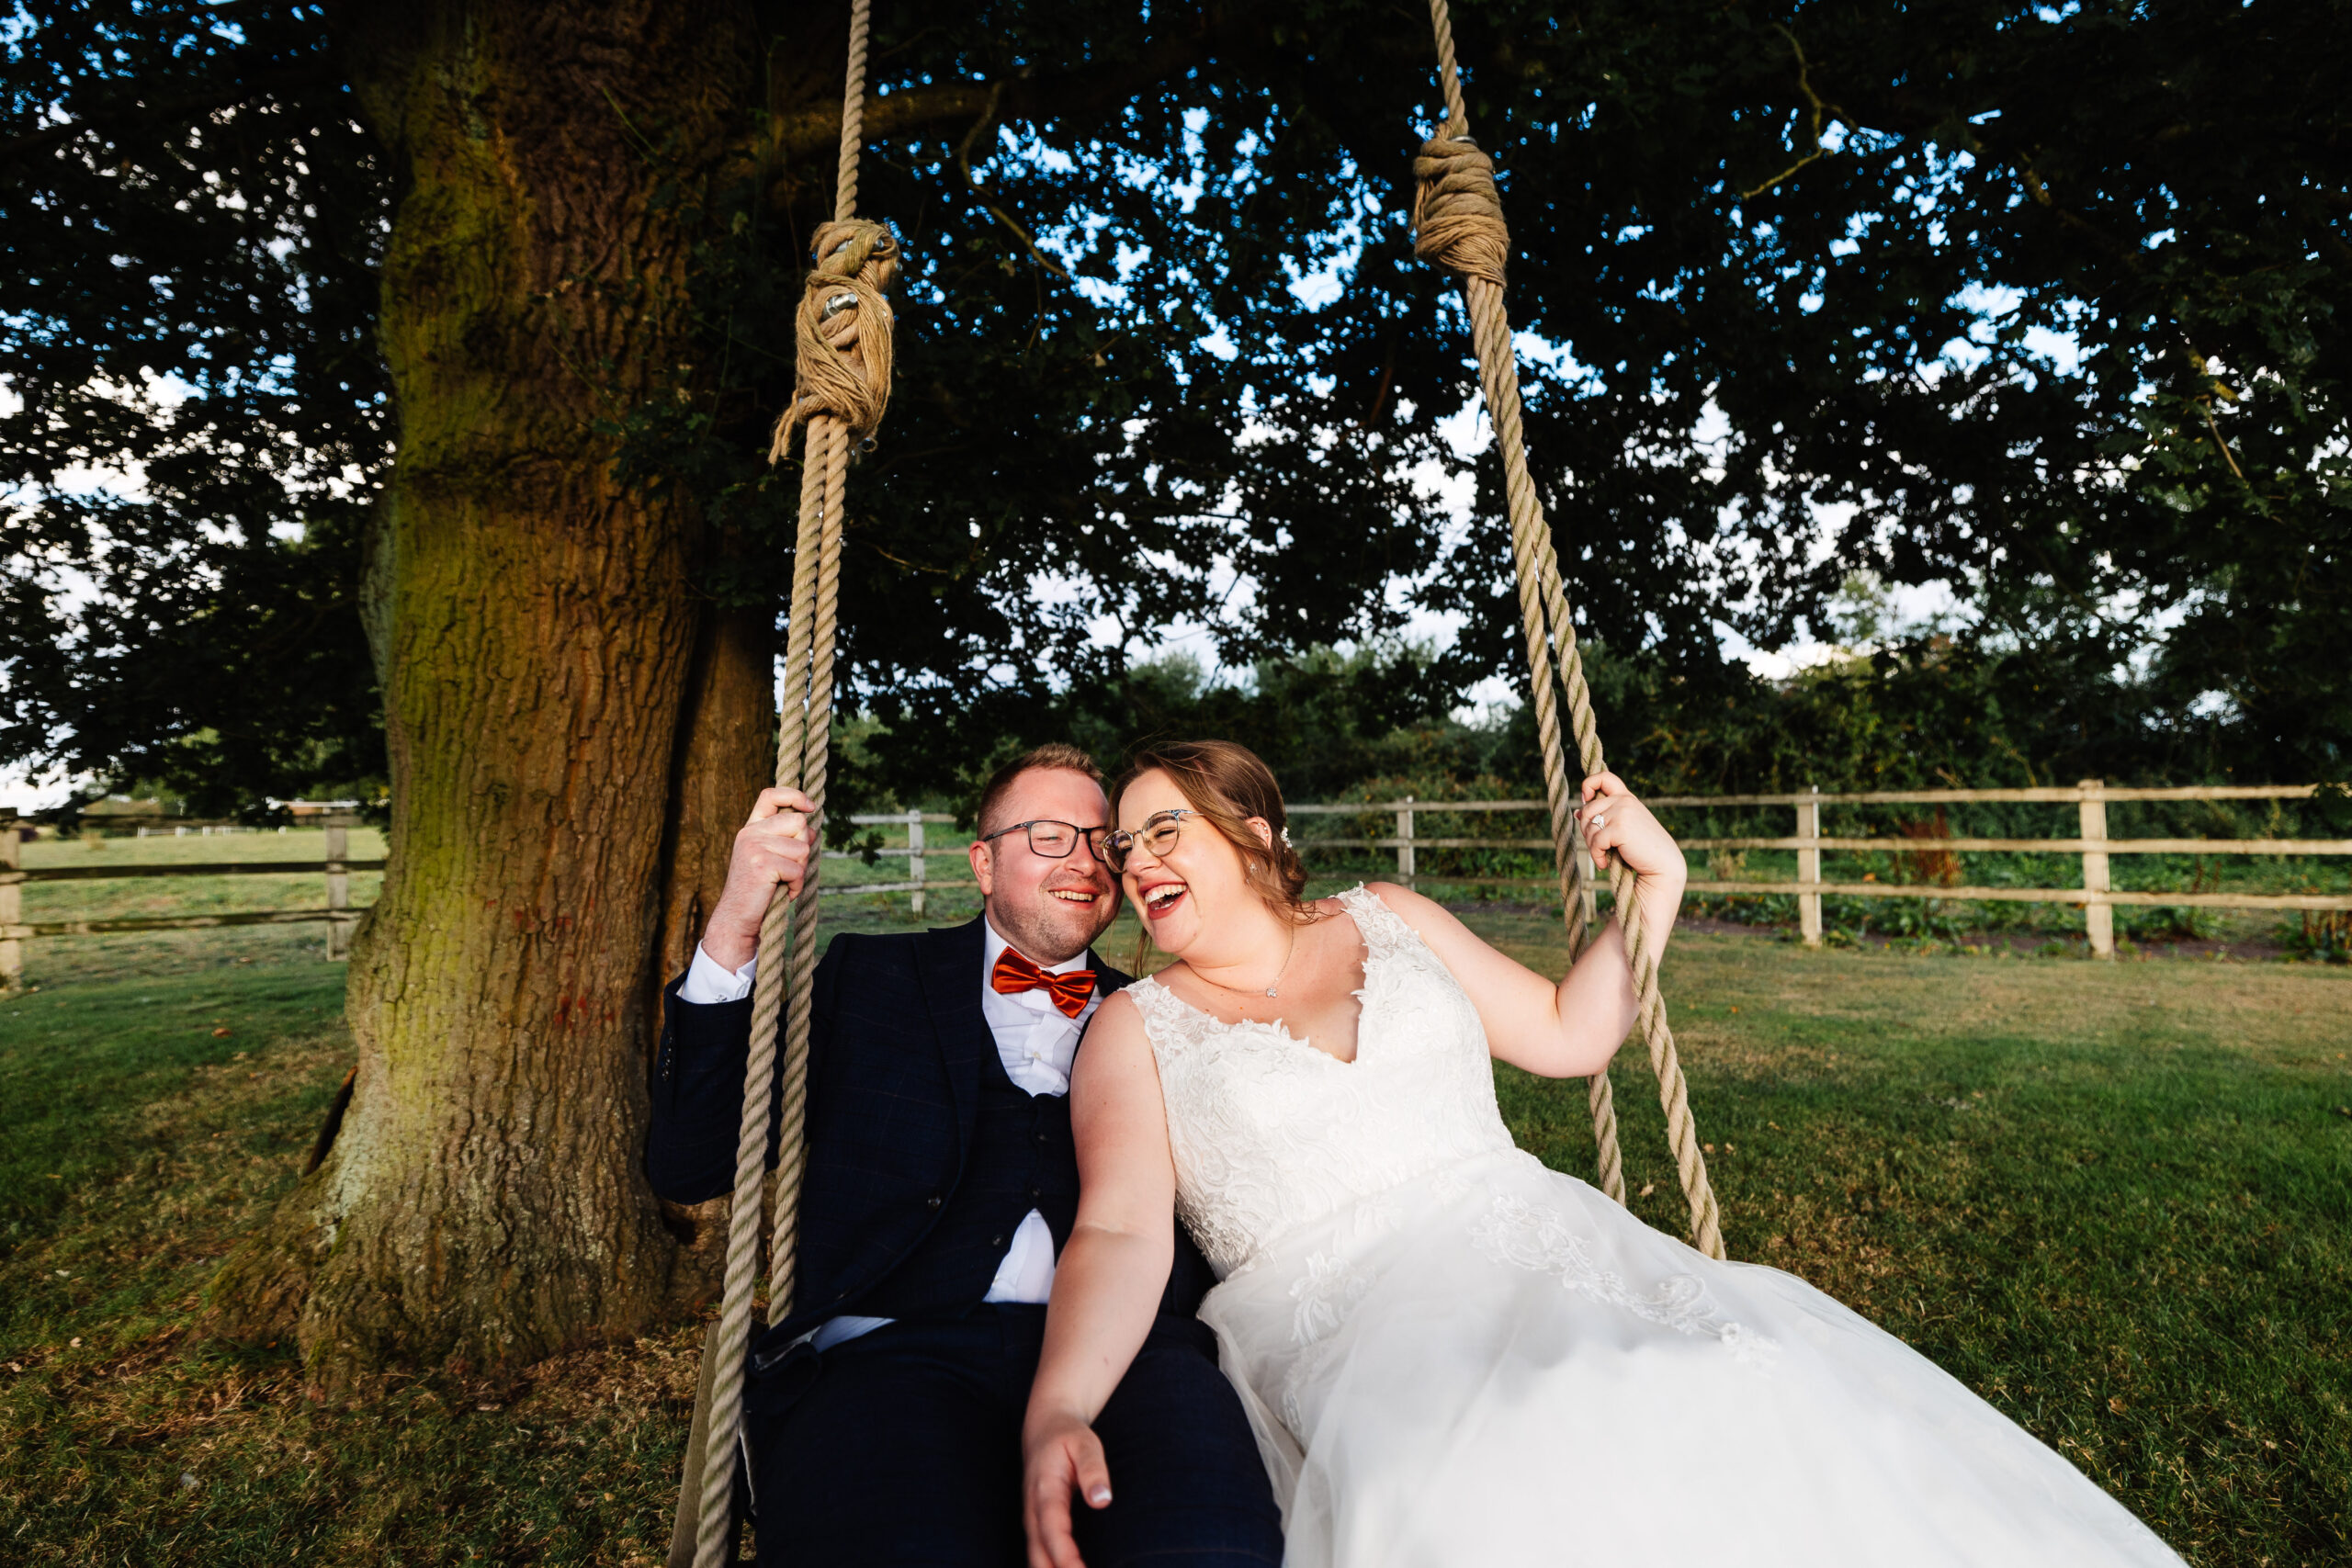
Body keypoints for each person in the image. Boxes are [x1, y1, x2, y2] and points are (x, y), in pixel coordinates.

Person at [1020, 739, 2188, 1568]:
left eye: (1164, 825)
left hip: (1539, 1244)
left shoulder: (1389, 916)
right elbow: (1118, 1230)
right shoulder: (1135, 1025)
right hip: (1348, 1323)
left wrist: (1659, 883)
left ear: (1257, 834)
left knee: (1724, 1378)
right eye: (1125, 844)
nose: (1135, 860)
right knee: (1499, 1466)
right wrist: (1059, 1406)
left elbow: (1572, 1037)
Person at [647, 744, 1281, 1568]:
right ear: (983, 862)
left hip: (1133, 1359)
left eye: (1103, 840)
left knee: (1210, 1547)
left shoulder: (1168, 1012)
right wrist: (736, 920)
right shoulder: (864, 977)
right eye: (1049, 835)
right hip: (888, 1353)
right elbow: (690, 1162)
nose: (1085, 861)